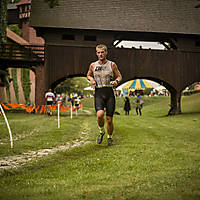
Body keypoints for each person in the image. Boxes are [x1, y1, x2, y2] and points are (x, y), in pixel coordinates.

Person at [87, 44, 122, 146]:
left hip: (109, 93)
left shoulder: (112, 64)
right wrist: (92, 79)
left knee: (109, 120)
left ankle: (109, 137)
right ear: (96, 53)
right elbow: (88, 75)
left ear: (106, 52)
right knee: (100, 114)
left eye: (102, 52)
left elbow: (119, 76)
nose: (100, 54)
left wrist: (116, 81)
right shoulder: (93, 65)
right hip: (99, 92)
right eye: (98, 52)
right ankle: (101, 131)